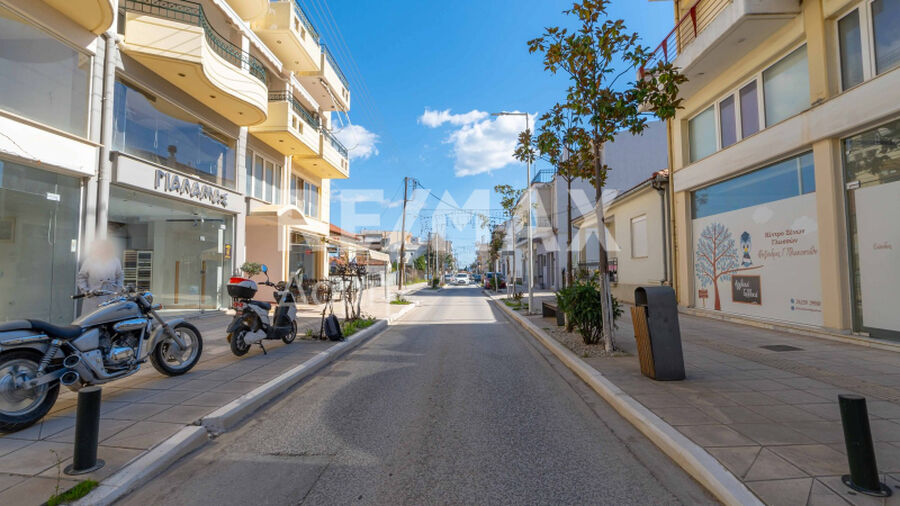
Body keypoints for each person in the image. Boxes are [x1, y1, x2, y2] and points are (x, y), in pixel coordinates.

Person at [76, 239, 124, 316]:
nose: (103, 250)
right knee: (92, 318)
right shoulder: (89, 261)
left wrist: (118, 288)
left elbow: (120, 276)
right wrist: (86, 291)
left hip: (110, 296)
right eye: (100, 248)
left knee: (108, 318)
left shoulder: (115, 261)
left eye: (105, 248)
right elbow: (81, 277)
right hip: (93, 297)